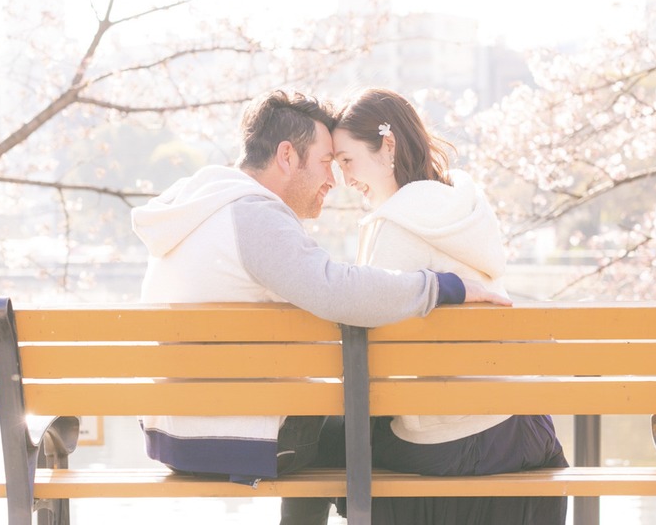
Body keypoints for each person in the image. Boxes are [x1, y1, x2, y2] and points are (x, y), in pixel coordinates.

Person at [130, 90, 510, 524]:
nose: (334, 179)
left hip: (174, 435)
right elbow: (337, 293)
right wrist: (443, 286)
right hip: (231, 436)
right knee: (361, 433)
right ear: (287, 156)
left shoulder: (200, 207)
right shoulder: (253, 216)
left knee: (331, 421)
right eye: (326, 161)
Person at [330, 87, 569, 525]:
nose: (345, 178)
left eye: (347, 160)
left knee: (332, 450)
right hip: (525, 429)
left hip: (451, 443)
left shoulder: (392, 223)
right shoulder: (468, 209)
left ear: (387, 145)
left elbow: (369, 355)